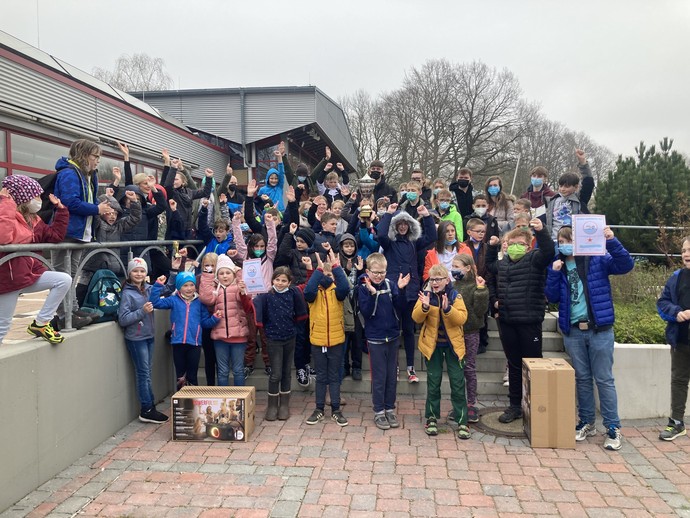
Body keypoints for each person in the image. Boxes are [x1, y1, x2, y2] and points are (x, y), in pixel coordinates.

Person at [546, 225, 633, 450]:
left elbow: (625, 265)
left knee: (604, 379)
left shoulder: (597, 259)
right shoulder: (560, 265)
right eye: (560, 240)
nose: (563, 244)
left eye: (568, 240)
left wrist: (612, 241)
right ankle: (586, 422)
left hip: (599, 330)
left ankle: (613, 427)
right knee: (582, 379)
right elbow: (552, 296)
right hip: (574, 330)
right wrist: (553, 273)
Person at [486, 218, 555, 424]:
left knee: (534, 364)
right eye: (512, 243)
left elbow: (549, 252)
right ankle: (515, 406)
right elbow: (490, 266)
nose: (516, 246)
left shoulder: (535, 259)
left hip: (529, 321)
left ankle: (538, 405)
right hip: (507, 321)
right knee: (514, 365)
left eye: (521, 243)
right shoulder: (504, 263)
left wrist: (542, 232)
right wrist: (491, 247)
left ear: (528, 245)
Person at [0, 175, 70, 345]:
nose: (39, 200)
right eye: (36, 196)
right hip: (8, 278)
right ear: (23, 198)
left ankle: (40, 323)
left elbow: (55, 236)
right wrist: (7, 203)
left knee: (63, 280)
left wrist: (61, 211)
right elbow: (4, 237)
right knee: (3, 325)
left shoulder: (34, 219)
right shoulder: (7, 213)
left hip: (28, 274)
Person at [52, 139, 111, 327]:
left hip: (80, 233)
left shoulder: (89, 175)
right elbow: (70, 202)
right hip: (66, 232)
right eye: (95, 156)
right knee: (62, 274)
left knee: (71, 274)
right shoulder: (69, 173)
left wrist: (98, 209)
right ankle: (63, 315)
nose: (98, 161)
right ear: (84, 155)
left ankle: (73, 309)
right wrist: (96, 209)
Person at [377, 203, 436, 383]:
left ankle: (411, 368)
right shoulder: (389, 243)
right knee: (394, 329)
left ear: (409, 226)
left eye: (405, 224)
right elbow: (380, 234)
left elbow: (432, 236)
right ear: (395, 226)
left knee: (409, 330)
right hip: (394, 292)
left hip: (411, 292)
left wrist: (426, 215)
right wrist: (388, 214)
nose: (402, 226)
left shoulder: (414, 242)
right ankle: (393, 366)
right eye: (399, 224)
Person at [412, 264, 471, 439]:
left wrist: (447, 309)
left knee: (458, 383)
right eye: (432, 279)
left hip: (454, 348)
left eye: (439, 279)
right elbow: (415, 318)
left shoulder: (455, 295)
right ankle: (431, 418)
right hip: (433, 347)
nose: (435, 282)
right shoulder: (426, 296)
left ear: (447, 280)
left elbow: (462, 318)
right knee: (433, 382)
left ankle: (462, 421)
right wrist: (424, 308)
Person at [358, 253, 410, 430]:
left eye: (382, 272)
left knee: (391, 377)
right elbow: (365, 312)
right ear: (367, 271)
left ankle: (390, 408)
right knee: (379, 378)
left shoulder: (390, 285)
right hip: (375, 339)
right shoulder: (364, 288)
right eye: (375, 272)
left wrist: (401, 290)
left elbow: (401, 308)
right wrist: (373, 294)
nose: (379, 275)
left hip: (393, 336)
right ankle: (379, 411)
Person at [253, 267, 309, 421]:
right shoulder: (266, 296)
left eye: (284, 280)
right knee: (275, 373)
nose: (280, 283)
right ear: (272, 280)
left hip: (290, 338)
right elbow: (255, 310)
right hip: (273, 339)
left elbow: (300, 315)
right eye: (277, 280)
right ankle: (272, 405)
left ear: (289, 282)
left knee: (286, 372)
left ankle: (284, 405)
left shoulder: (293, 294)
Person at [118, 257, 169, 423]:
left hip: (149, 336)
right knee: (143, 373)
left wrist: (173, 271)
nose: (139, 274)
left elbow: (168, 289)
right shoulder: (127, 293)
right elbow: (123, 319)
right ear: (129, 273)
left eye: (142, 271)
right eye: (135, 271)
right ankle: (147, 408)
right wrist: (142, 311)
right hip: (136, 338)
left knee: (147, 372)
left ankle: (150, 406)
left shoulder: (148, 288)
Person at [150, 271, 220, 389]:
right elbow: (155, 302)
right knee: (180, 376)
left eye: (191, 285)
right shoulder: (173, 300)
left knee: (192, 375)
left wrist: (215, 319)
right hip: (178, 343)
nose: (189, 288)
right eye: (185, 285)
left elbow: (205, 322)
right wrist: (158, 285)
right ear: (179, 287)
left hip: (194, 344)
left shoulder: (200, 303)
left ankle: (193, 403)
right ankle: (181, 404)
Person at [304, 252, 350, 427]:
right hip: (318, 341)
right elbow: (308, 290)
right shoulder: (313, 294)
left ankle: (336, 410)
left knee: (334, 376)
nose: (326, 277)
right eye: (324, 274)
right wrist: (319, 269)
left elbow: (345, 287)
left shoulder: (337, 293)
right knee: (321, 376)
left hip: (337, 341)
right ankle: (319, 409)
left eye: (329, 275)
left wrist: (336, 267)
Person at [199, 255, 253, 387]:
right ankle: (223, 400)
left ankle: (240, 400)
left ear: (233, 274)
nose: (225, 276)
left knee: (238, 370)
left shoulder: (237, 289)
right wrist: (207, 276)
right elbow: (206, 298)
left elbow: (247, 300)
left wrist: (240, 276)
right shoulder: (215, 290)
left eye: (228, 273)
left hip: (239, 337)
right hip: (220, 338)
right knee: (222, 371)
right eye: (221, 273)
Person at [657, 236, 690, 442]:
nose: (687, 254)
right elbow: (662, 303)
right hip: (681, 340)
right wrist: (676, 312)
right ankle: (676, 423)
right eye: (685, 250)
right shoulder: (677, 277)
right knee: (678, 381)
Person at [451, 253, 490, 424]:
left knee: (469, 368)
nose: (454, 269)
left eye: (457, 266)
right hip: (454, 333)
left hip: (471, 332)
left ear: (467, 268)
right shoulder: (452, 286)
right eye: (453, 266)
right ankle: (458, 404)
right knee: (456, 369)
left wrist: (481, 290)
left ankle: (471, 403)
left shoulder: (476, 286)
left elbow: (481, 311)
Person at [545, 148, 595, 241]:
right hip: (554, 240)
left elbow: (589, 183)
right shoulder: (552, 200)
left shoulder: (579, 199)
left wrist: (583, 163)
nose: (562, 189)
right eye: (561, 186)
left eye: (567, 186)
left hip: (573, 241)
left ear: (576, 187)